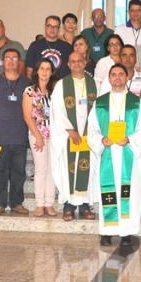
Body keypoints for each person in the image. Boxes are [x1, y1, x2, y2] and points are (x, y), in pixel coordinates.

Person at [88, 64, 141, 246]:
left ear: (126, 78)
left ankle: (127, 232)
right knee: (108, 191)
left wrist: (130, 139)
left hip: (128, 154)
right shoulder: (99, 103)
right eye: (114, 74)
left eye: (121, 74)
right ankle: (107, 231)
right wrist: (101, 139)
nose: (117, 77)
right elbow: (91, 129)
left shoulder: (136, 102)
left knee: (128, 192)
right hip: (108, 152)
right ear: (109, 78)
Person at [0, 48, 32, 216]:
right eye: (8, 58)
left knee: (19, 172)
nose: (11, 60)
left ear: (19, 61)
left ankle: (17, 203)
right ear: (3, 61)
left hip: (20, 135)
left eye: (14, 57)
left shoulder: (27, 83)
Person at [50, 52, 97, 222]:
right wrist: (70, 130)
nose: (76, 63)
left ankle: (84, 205)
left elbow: (99, 109)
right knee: (68, 168)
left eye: (79, 60)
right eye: (73, 61)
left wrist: (91, 130)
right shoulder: (62, 85)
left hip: (88, 135)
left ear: (85, 62)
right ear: (68, 65)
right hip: (68, 136)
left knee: (85, 167)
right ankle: (69, 205)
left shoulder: (95, 84)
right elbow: (56, 110)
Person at [23, 58, 58, 217]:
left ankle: (49, 204)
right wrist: (38, 137)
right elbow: (27, 117)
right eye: (42, 68)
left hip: (56, 136)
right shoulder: (29, 91)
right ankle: (39, 204)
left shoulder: (56, 90)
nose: (44, 71)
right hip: (38, 135)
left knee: (52, 170)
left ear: (52, 72)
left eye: (48, 68)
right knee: (41, 169)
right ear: (37, 71)